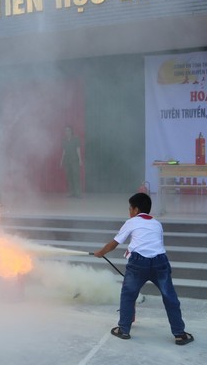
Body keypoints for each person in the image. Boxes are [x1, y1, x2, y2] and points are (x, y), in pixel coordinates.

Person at [93, 192, 194, 345]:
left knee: (128, 295)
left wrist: (101, 252)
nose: (129, 211)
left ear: (135, 209)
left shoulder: (131, 222)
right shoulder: (157, 223)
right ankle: (179, 334)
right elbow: (154, 244)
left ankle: (124, 330)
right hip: (160, 262)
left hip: (138, 263)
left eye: (130, 208)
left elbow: (115, 243)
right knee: (170, 297)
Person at [60, 126, 83, 198]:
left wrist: (80, 159)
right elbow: (64, 151)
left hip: (74, 160)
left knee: (76, 176)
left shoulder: (76, 139)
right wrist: (61, 160)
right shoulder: (64, 140)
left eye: (69, 130)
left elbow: (78, 149)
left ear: (71, 131)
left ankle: (78, 192)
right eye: (66, 131)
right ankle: (71, 192)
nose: (67, 132)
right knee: (69, 176)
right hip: (67, 160)